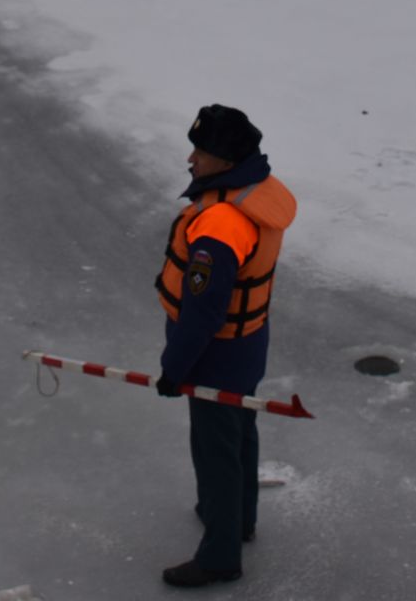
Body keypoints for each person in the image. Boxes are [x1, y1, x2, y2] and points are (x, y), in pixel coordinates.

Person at [154, 104, 297, 589]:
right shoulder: (258, 191)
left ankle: (220, 556)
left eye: (201, 151)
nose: (191, 160)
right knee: (240, 431)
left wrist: (175, 368)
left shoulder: (222, 224)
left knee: (214, 448)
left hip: (215, 352)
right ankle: (239, 519)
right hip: (249, 342)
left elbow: (204, 310)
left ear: (226, 159)